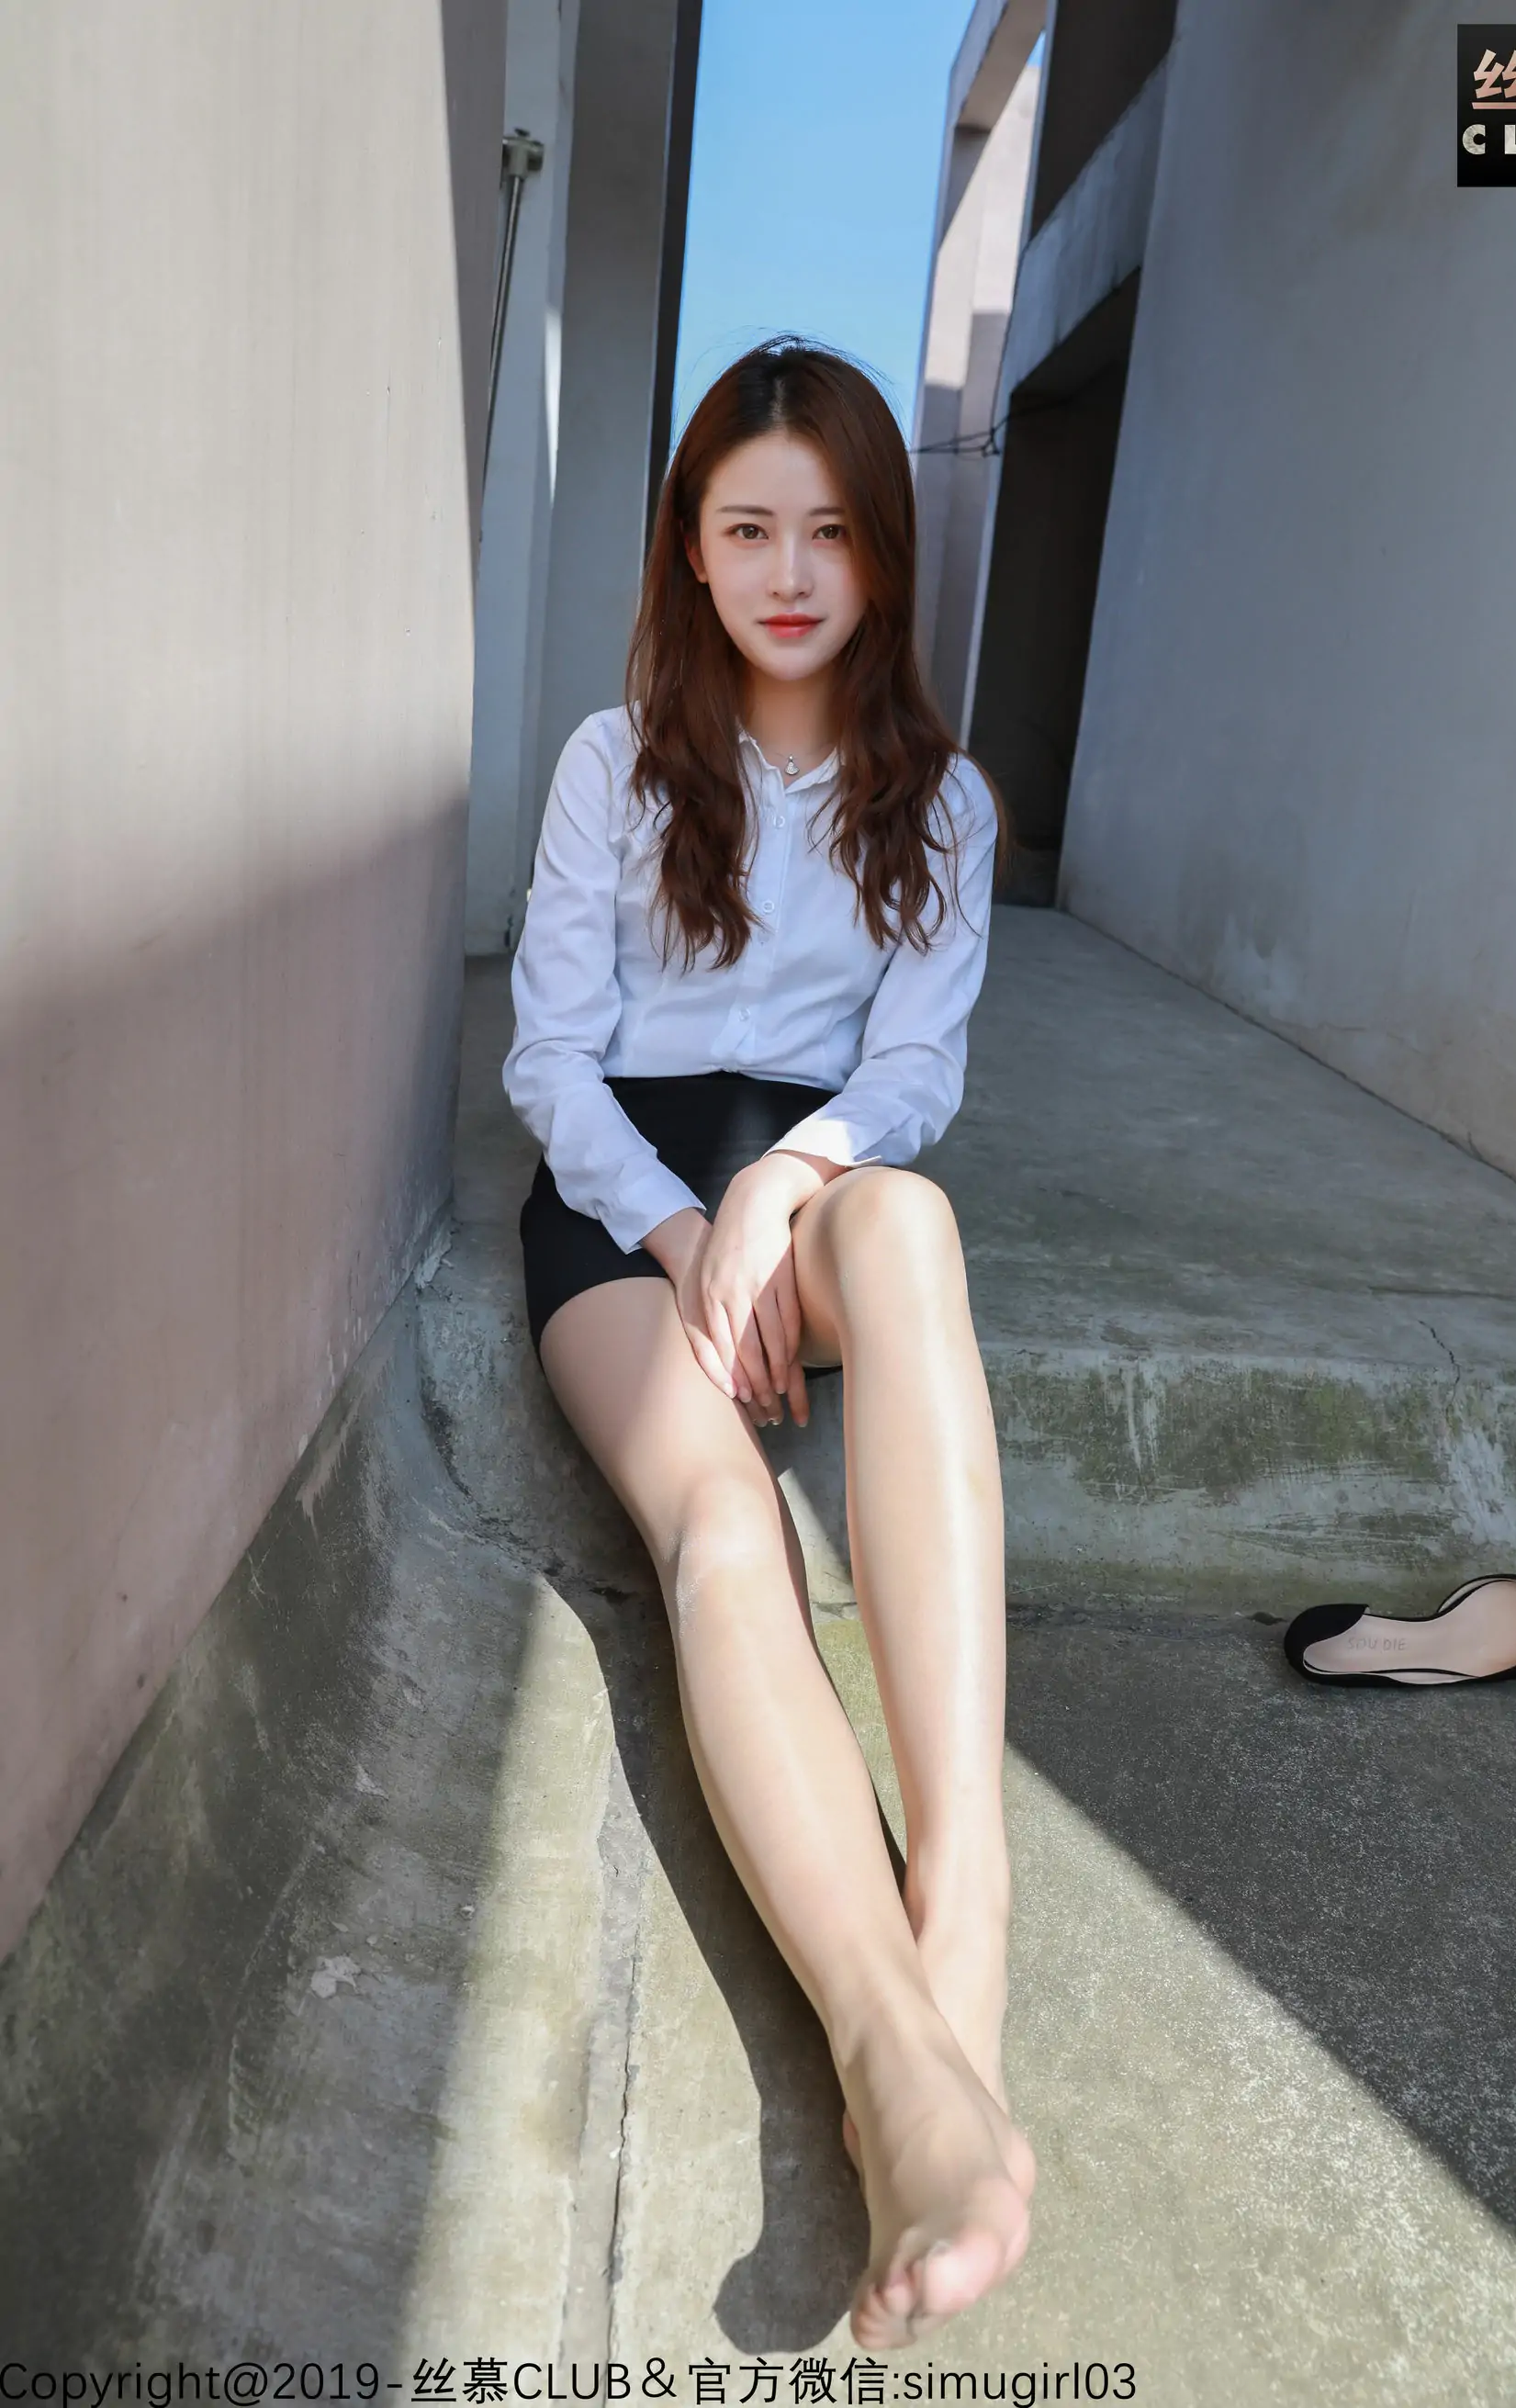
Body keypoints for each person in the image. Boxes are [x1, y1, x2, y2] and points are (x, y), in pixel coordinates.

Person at [502, 340, 1035, 2348]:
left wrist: (779, 1193)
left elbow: (912, 1075)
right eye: (748, 529)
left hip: (808, 1185)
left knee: (910, 1222)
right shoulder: (616, 763)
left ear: (882, 551)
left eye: (829, 532)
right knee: (727, 1533)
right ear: (692, 551)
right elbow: (549, 1058)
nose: (789, 573)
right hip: (616, 1201)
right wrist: (679, 1227)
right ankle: (899, 2063)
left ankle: (960, 1919)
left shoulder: (945, 803)